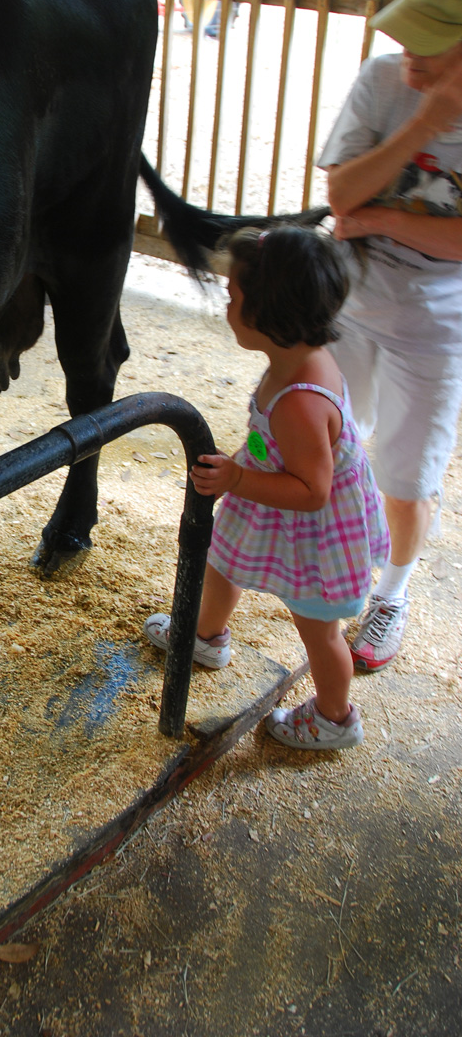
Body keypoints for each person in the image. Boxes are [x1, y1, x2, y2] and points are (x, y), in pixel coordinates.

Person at [144, 227, 389, 751]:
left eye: (234, 297)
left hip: (314, 529)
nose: (227, 305)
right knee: (222, 561)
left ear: (268, 314)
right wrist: (242, 466)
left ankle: (333, 717)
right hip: (269, 501)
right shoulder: (295, 359)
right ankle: (205, 636)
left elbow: (313, 491)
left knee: (320, 629)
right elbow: (270, 442)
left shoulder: (302, 401)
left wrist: (237, 479)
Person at [318, 0, 462, 674]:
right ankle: (304, 559)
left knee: (405, 478)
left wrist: (383, 220)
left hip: (440, 323)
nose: (405, 51)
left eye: (428, 39)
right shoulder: (382, 81)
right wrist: (426, 120)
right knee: (320, 434)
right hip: (351, 297)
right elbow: (342, 196)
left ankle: (391, 595)